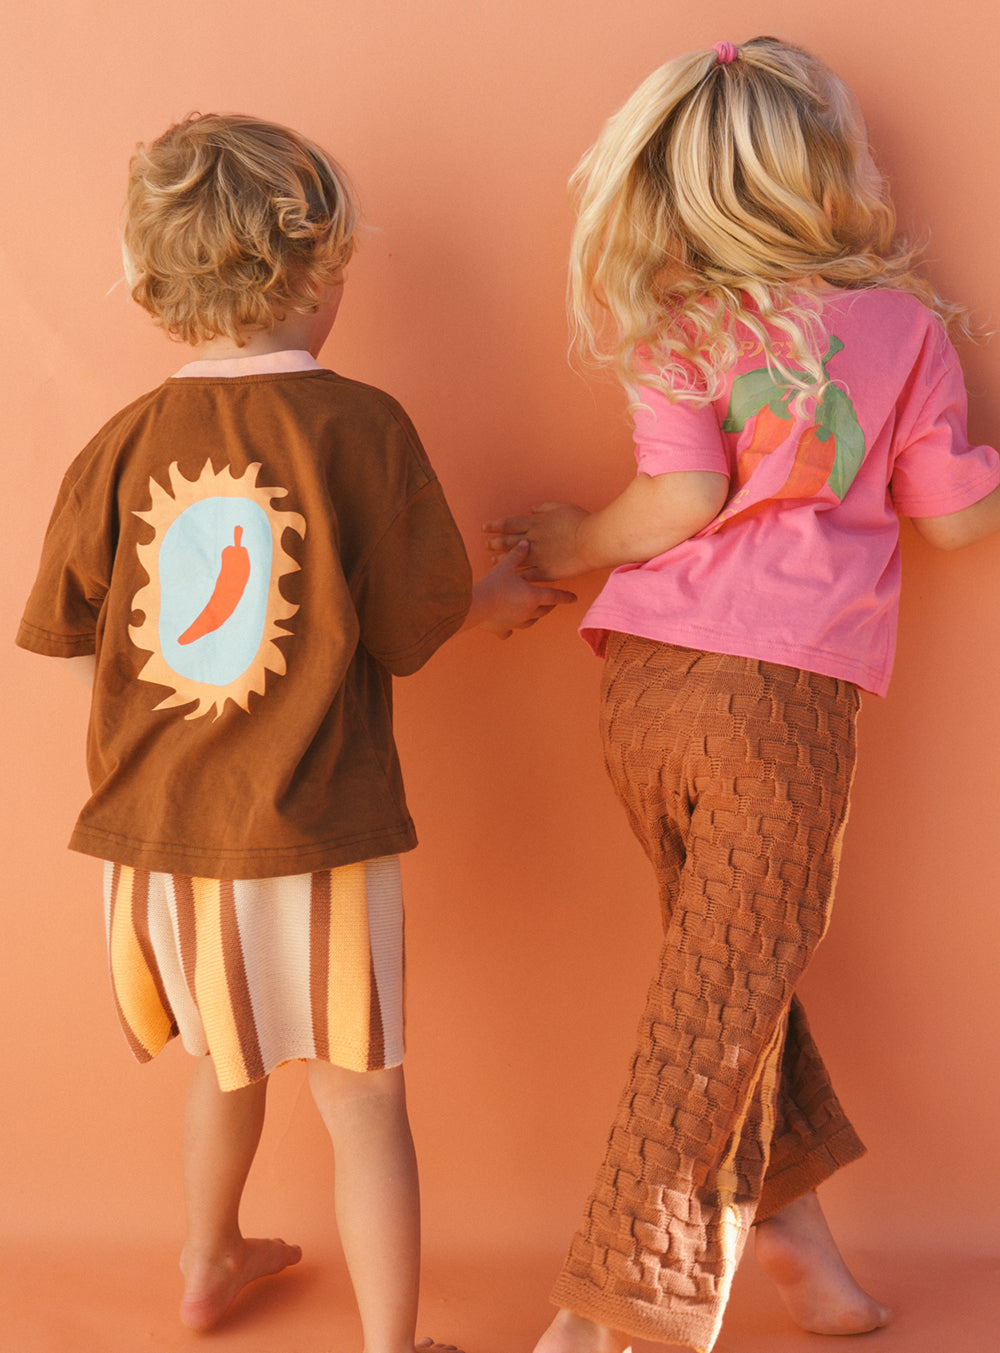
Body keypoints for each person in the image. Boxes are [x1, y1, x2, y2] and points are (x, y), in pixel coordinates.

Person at [16, 112, 574, 1353]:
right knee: (364, 1101)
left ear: (158, 279)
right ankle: (391, 1346)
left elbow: (64, 629)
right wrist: (492, 603)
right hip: (311, 830)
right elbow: (414, 622)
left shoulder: (117, 443)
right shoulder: (360, 426)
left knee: (230, 1057)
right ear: (321, 273)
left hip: (152, 843)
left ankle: (209, 1258)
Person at [486, 36, 1000, 1353]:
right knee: (714, 1006)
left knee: (733, 969)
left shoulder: (679, 320)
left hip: (646, 694)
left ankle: (802, 1246)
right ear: (831, 173)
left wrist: (567, 544)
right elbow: (952, 525)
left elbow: (671, 504)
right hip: (781, 711)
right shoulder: (910, 331)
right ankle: (599, 1322)